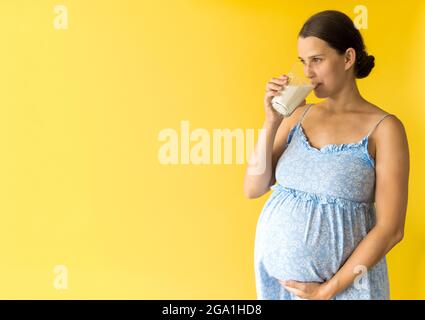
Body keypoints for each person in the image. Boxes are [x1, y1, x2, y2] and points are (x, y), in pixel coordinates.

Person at [244, 10, 410, 300]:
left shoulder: (385, 129)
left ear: (347, 58)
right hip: (279, 290)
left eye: (317, 60)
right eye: (303, 62)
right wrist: (271, 120)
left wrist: (325, 291)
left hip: (346, 292)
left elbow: (391, 229)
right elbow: (253, 187)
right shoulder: (297, 113)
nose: (307, 73)